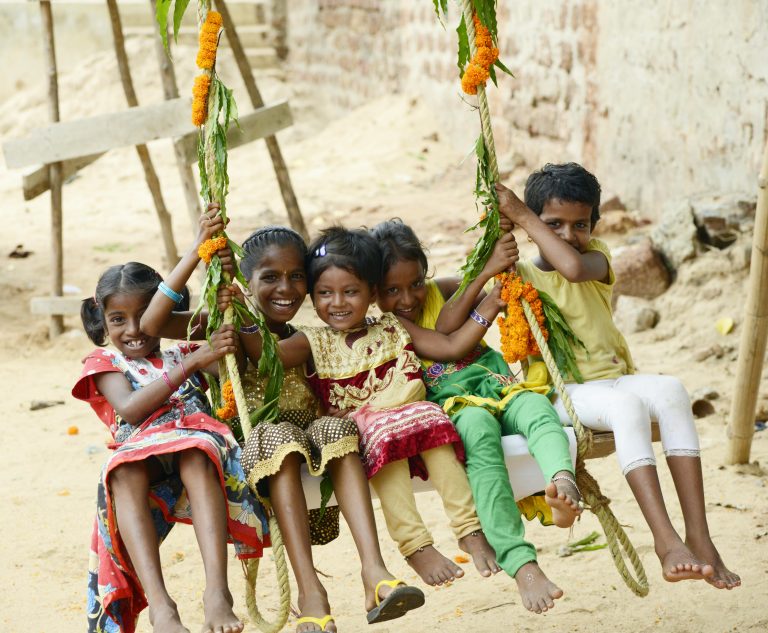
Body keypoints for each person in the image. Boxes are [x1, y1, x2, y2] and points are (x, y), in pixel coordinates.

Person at [154, 217, 408, 633]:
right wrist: (198, 250)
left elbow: (276, 355)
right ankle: (311, 592)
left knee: (338, 429)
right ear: (245, 280)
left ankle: (375, 573)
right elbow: (153, 323)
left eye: (296, 277)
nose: (286, 289)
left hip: (312, 444)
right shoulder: (223, 323)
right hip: (260, 449)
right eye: (270, 277)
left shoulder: (306, 337)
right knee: (278, 436)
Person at [497, 161, 740, 590]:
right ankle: (666, 542)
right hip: (562, 392)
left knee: (672, 390)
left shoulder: (597, 257)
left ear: (595, 225)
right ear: (536, 225)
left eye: (580, 224)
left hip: (612, 378)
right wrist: (508, 228)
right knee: (627, 406)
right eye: (553, 224)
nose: (569, 235)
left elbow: (571, 266)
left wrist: (522, 214)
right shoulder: (518, 274)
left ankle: (700, 537)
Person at [235, 226, 502, 594]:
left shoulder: (395, 326)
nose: (338, 303)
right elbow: (270, 358)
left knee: (436, 427)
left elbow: (451, 345)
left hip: (419, 419)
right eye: (325, 293)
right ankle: (415, 546)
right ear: (313, 297)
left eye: (351, 292)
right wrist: (240, 312)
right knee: (383, 447)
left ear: (372, 293)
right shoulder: (312, 340)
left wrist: (491, 304)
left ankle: (469, 530)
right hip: (370, 433)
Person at [370, 219, 582, 614]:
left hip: (499, 384)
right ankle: (523, 565)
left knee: (539, 411)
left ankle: (562, 480)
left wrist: (499, 264)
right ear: (374, 291)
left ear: (425, 272)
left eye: (415, 283)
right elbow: (449, 340)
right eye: (391, 290)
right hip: (456, 408)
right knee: (480, 442)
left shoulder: (445, 288)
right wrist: (484, 288)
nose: (407, 298)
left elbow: (482, 294)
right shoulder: (390, 322)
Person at [73, 253, 266, 633]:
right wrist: (192, 366)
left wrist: (233, 312)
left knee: (196, 453)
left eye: (145, 316)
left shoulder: (183, 347)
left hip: (195, 444)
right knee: (121, 471)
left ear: (163, 313)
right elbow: (129, 409)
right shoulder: (104, 361)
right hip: (140, 450)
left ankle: (217, 593)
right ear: (102, 320)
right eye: (118, 320)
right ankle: (161, 606)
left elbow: (236, 367)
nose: (134, 330)